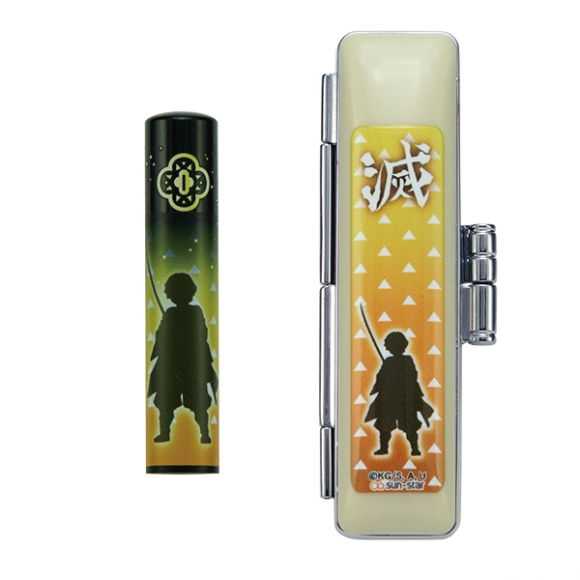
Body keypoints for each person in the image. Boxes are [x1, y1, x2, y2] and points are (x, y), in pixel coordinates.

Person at [147, 273, 218, 443]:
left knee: (197, 401)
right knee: (166, 400)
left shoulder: (194, 311)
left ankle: (205, 434)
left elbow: (201, 335)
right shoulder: (171, 313)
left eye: (169, 291)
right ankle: (165, 433)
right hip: (172, 364)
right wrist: (166, 328)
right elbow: (162, 336)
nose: (166, 295)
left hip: (191, 363)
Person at [364, 331, 433, 456]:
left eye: (388, 345)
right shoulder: (388, 362)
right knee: (384, 425)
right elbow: (381, 376)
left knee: (409, 425)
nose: (386, 347)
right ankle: (384, 448)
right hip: (389, 398)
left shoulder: (407, 360)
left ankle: (415, 448)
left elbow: (412, 376)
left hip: (404, 398)